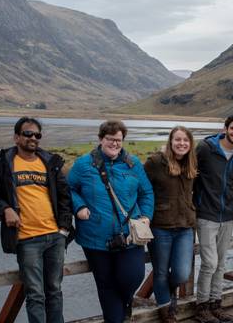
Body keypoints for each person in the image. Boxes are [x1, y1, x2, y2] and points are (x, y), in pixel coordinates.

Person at [0, 116, 74, 323]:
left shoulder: (50, 163)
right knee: (35, 294)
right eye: (28, 134)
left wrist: (64, 229)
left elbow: (64, 196)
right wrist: (5, 208)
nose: (33, 138)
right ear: (16, 137)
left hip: (55, 237)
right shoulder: (3, 165)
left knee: (54, 290)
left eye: (37, 135)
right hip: (27, 239)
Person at [67, 120, 154, 323]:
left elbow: (146, 192)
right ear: (100, 139)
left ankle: (126, 302)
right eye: (110, 139)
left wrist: (146, 216)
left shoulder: (133, 164)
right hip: (95, 236)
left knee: (132, 276)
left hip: (130, 234)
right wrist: (78, 206)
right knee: (106, 285)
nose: (114, 144)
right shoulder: (83, 164)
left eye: (118, 140)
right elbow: (68, 189)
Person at [193, 114, 233, 323]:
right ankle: (201, 307)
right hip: (206, 214)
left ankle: (216, 304)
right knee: (210, 263)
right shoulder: (205, 148)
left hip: (227, 215)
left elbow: (230, 182)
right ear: (225, 129)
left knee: (221, 263)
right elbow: (192, 173)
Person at [144, 126, 199, 323]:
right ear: (170, 141)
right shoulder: (155, 162)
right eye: (177, 139)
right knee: (160, 271)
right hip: (160, 227)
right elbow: (142, 189)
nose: (181, 143)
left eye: (185, 140)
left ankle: (167, 294)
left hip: (185, 227)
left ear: (190, 143)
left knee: (182, 273)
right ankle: (166, 310)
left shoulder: (192, 163)